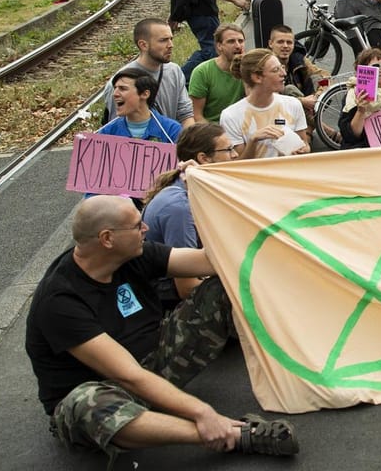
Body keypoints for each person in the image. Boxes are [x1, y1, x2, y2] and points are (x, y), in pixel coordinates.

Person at [25, 196, 299, 459]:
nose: (145, 228)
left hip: (154, 359)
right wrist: (201, 412)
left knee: (220, 288)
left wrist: (271, 228)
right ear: (107, 239)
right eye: (136, 225)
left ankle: (300, 364)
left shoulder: (132, 253)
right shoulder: (60, 301)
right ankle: (231, 434)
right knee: (90, 404)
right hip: (107, 390)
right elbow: (128, 375)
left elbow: (210, 261)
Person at [142, 124, 237, 305]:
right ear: (203, 158)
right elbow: (186, 286)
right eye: (228, 149)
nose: (236, 154)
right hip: (166, 301)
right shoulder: (180, 208)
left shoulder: (194, 190)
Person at [219, 48, 310, 159]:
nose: (284, 73)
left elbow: (305, 144)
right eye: (276, 70)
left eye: (282, 67)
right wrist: (253, 140)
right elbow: (238, 164)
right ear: (257, 77)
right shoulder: (231, 116)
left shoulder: (293, 104)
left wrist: (302, 149)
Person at [103, 19, 195, 127]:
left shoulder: (174, 71)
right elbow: (116, 127)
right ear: (143, 45)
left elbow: (185, 115)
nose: (171, 45)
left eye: (171, 39)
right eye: (163, 40)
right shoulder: (120, 82)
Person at [98, 69, 183, 145]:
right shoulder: (107, 132)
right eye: (115, 88)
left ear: (145, 94)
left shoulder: (172, 131)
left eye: (123, 89)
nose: (115, 94)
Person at [188, 24, 246, 124]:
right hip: (212, 129)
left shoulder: (250, 69)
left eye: (240, 41)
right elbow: (197, 116)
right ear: (219, 46)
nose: (238, 46)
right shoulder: (203, 72)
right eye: (231, 41)